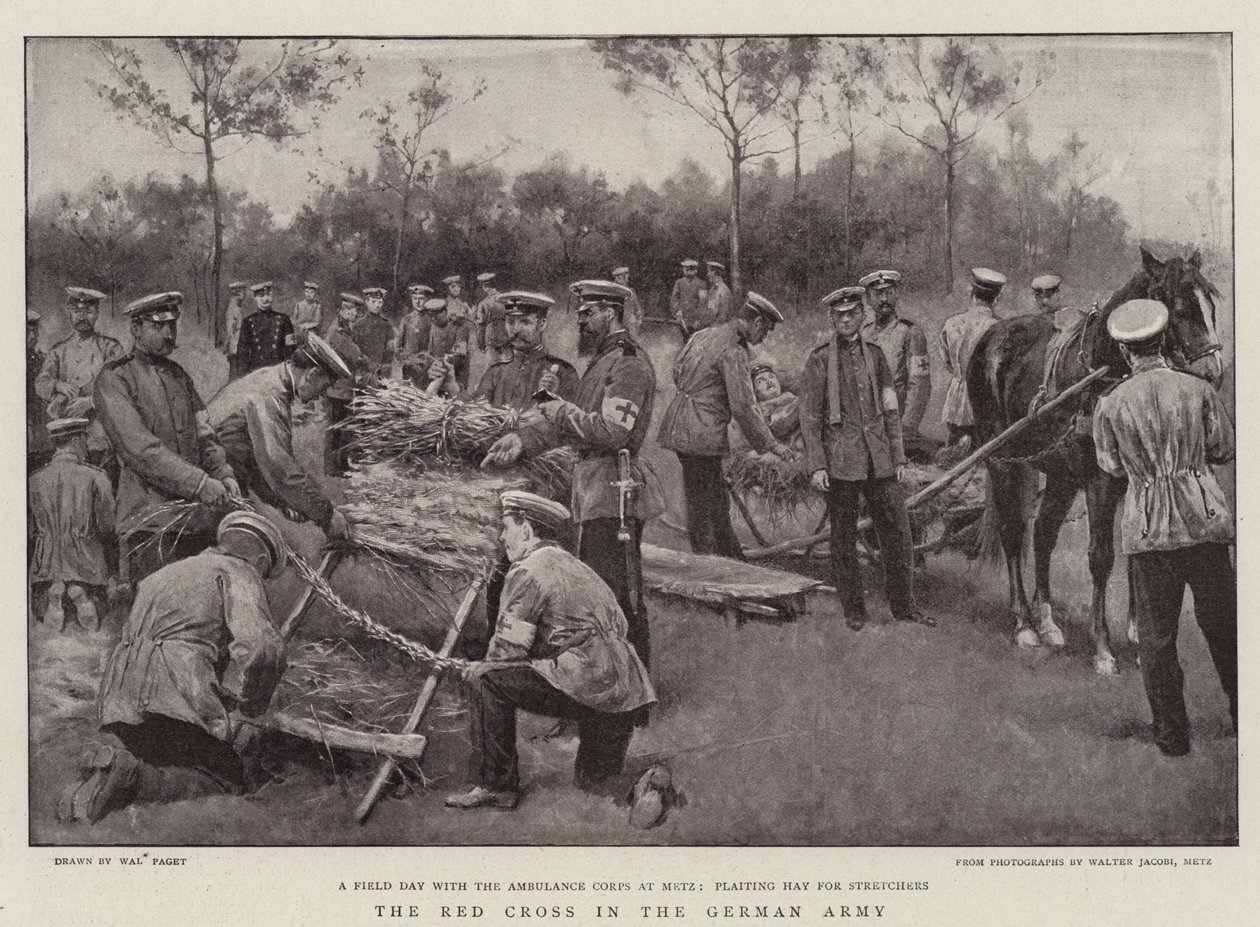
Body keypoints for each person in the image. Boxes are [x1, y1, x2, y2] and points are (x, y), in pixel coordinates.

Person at [56, 511, 289, 824]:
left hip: (120, 697)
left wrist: (221, 696)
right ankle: (131, 778)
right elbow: (263, 647)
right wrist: (254, 704)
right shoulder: (239, 571)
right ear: (260, 561)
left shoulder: (164, 574)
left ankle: (99, 779)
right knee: (226, 779)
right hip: (172, 693)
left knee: (164, 761)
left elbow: (166, 636)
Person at [482, 280, 663, 669]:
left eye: (588, 313)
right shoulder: (602, 363)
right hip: (593, 493)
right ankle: (598, 686)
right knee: (592, 598)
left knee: (619, 597)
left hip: (615, 496)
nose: (581, 321)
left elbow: (614, 431)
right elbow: (572, 424)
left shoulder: (628, 364)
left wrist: (560, 410)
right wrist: (522, 442)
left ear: (610, 313)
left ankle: (632, 695)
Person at [444, 491, 656, 810]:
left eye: (506, 528)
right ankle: (645, 784)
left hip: (589, 685)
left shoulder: (528, 570)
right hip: (625, 692)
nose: (502, 537)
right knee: (593, 783)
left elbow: (507, 651)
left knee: (488, 681)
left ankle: (496, 786)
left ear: (527, 530)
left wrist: (480, 667)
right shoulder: (571, 565)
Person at [1093, 299, 1236, 757]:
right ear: (1162, 343)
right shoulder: (1198, 390)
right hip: (1205, 521)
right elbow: (1223, 448)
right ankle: (1245, 718)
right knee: (1225, 626)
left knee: (1156, 638)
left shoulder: (1111, 404)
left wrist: (1148, 469)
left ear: (1125, 352)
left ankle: (1173, 737)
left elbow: (1111, 467)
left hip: (1149, 530)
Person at [798, 286, 929, 631]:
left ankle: (904, 607)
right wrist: (816, 465)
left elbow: (890, 408)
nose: (845, 320)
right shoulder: (820, 359)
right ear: (832, 318)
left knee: (898, 532)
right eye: (839, 315)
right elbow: (810, 417)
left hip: (879, 458)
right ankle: (854, 610)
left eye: (852, 313)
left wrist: (898, 456)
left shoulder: (875, 355)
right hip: (841, 460)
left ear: (861, 315)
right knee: (842, 537)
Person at [93, 292, 239, 584]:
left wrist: (223, 473)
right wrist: (199, 483)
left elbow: (204, 434)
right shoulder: (114, 378)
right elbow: (139, 450)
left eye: (172, 325)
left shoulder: (180, 375)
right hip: (150, 525)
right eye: (158, 326)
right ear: (136, 328)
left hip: (197, 521)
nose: (169, 333)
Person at [659, 292, 793, 559]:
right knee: (706, 500)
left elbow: (677, 371)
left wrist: (700, 392)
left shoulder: (703, 335)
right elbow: (743, 405)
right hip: (702, 432)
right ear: (755, 321)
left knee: (709, 494)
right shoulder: (734, 349)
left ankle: (727, 552)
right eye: (765, 330)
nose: (764, 337)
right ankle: (709, 562)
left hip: (679, 424)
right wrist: (772, 444)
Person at [208, 334, 354, 540]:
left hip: (224, 476)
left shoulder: (272, 379)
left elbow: (257, 460)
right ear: (311, 374)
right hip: (213, 480)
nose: (320, 396)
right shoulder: (270, 394)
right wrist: (326, 515)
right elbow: (278, 465)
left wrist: (282, 501)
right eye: (322, 387)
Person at [28, 417, 115, 632]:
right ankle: (80, 594)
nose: (87, 445)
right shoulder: (96, 476)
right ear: (75, 440)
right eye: (85, 439)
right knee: (94, 617)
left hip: (45, 564)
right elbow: (107, 525)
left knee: (47, 633)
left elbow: (30, 528)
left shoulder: (34, 479)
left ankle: (55, 591)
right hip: (86, 562)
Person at [35, 286, 127, 473]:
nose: (82, 317)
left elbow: (122, 388)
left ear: (97, 314)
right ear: (69, 313)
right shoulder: (58, 351)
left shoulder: (111, 348)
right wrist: (57, 385)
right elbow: (40, 383)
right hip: (67, 440)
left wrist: (91, 401)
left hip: (103, 438)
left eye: (88, 311)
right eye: (77, 311)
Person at [461, 291, 579, 409]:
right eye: (510, 322)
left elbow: (572, 420)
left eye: (525, 322)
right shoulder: (494, 374)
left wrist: (552, 396)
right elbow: (477, 416)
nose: (516, 330)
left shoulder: (564, 373)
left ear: (542, 324)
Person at [859, 270, 932, 458]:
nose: (884, 299)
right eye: (878, 294)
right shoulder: (863, 334)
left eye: (889, 293)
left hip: (895, 421)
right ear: (868, 299)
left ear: (897, 294)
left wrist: (906, 428)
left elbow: (919, 386)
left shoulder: (910, 333)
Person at [939, 268, 1006, 448]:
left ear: (972, 293)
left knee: (953, 458)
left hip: (954, 403)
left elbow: (947, 362)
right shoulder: (999, 328)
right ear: (997, 298)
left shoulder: (951, 323)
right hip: (984, 405)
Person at [323, 293, 372, 478]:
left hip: (344, 387)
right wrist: (368, 363)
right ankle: (331, 468)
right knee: (335, 429)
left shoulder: (344, 327)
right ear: (344, 310)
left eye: (356, 310)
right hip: (337, 387)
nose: (354, 314)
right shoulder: (338, 331)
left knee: (344, 428)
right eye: (351, 310)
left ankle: (342, 465)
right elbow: (354, 354)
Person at [238, 282, 296, 374]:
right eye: (261, 296)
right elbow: (242, 354)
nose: (265, 299)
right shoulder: (247, 322)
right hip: (256, 373)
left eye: (268, 295)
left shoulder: (284, 319)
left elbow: (291, 350)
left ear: (272, 296)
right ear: (255, 298)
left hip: (279, 373)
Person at [420, 296, 474, 391]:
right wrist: (430, 363)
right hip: (435, 373)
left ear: (444, 312)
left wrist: (441, 364)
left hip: (456, 377)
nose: (433, 319)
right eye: (430, 316)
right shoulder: (432, 327)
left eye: (435, 316)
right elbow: (428, 351)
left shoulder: (459, 327)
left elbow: (460, 355)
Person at [27, 309, 54, 475]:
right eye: (27, 331)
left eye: (34, 330)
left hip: (42, 440)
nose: (32, 336)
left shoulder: (43, 360)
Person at [398, 283, 435, 386]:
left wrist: (426, 362)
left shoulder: (433, 320)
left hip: (427, 368)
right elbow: (398, 347)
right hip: (409, 367)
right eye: (415, 299)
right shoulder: (406, 320)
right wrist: (408, 361)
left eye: (421, 299)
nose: (418, 302)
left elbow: (434, 347)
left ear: (427, 299)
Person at [356, 287, 396, 381]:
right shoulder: (358, 325)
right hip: (363, 372)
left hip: (381, 372)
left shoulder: (386, 324)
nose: (377, 305)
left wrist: (384, 370)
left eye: (380, 302)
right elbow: (355, 351)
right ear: (366, 302)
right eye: (374, 302)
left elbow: (390, 350)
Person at [474, 272, 510, 364]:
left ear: (484, 287)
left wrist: (481, 344)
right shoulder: (506, 299)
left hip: (491, 337)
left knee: (492, 368)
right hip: (506, 336)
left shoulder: (483, 303)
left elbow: (480, 326)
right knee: (508, 365)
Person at [670, 259, 706, 338]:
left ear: (695, 271)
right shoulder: (679, 282)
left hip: (694, 319)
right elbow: (675, 298)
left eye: (690, 270)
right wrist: (677, 310)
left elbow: (702, 303)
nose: (687, 272)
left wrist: (698, 319)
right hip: (682, 318)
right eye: (685, 269)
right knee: (684, 339)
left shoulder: (701, 284)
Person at [222, 282, 248, 380]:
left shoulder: (238, 308)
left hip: (239, 347)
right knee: (235, 377)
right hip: (236, 349)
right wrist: (229, 348)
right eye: (243, 293)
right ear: (238, 293)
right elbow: (230, 331)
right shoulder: (233, 309)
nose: (244, 296)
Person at [699, 261, 732, 329]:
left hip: (719, 330)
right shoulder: (713, 289)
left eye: (709, 272)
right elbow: (710, 310)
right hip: (711, 328)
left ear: (714, 272)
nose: (707, 274)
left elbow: (723, 316)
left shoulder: (723, 290)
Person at [611, 266, 643, 336]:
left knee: (633, 334)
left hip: (629, 319)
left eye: (619, 278)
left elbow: (637, 307)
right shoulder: (613, 292)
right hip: (617, 320)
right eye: (615, 279)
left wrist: (639, 320)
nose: (616, 281)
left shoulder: (631, 291)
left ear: (625, 279)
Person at [292, 281, 323, 346]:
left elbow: (317, 322)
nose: (309, 294)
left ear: (315, 294)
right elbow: (294, 320)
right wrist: (299, 327)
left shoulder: (317, 306)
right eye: (307, 291)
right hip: (299, 332)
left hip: (311, 333)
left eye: (312, 292)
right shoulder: (299, 304)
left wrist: (307, 326)